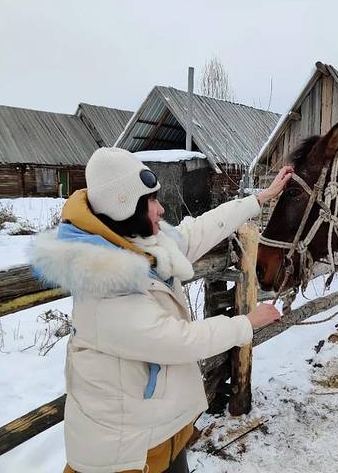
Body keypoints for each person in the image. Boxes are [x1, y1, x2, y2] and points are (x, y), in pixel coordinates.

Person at [29, 147, 292, 473]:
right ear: (124, 206)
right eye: (151, 201)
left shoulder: (136, 243)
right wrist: (246, 323)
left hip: (160, 436)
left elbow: (196, 232)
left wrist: (259, 199)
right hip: (124, 456)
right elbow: (178, 341)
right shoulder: (104, 286)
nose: (161, 208)